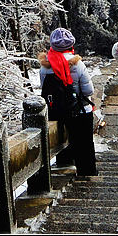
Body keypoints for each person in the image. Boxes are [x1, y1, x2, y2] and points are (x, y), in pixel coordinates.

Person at [39, 27, 97, 176]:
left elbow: (44, 91)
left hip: (57, 112)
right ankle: (87, 174)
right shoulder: (77, 64)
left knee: (64, 146)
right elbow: (88, 91)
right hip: (79, 111)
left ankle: (64, 168)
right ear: (71, 45)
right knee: (85, 145)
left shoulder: (45, 67)